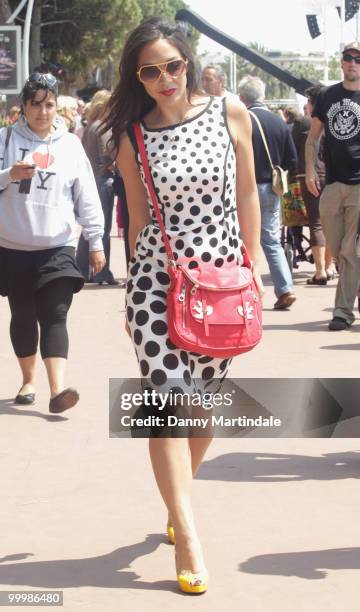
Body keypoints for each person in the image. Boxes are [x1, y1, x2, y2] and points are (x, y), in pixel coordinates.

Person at [103, 17, 263, 594]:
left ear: (188, 63)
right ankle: (189, 532)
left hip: (222, 282)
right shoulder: (132, 135)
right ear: (137, 76)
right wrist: (130, 290)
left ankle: (177, 498)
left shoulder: (230, 114)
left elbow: (247, 190)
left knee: (203, 406)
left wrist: (252, 267)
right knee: (167, 401)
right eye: (150, 70)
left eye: (173, 65)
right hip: (157, 281)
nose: (165, 77)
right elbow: (138, 218)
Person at [0, 72, 105, 412]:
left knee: (55, 313)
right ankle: (29, 379)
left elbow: (86, 194)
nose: (43, 112)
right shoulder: (5, 139)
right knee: (23, 315)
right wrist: (9, 175)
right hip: (13, 247)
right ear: (23, 106)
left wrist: (96, 238)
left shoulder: (70, 144)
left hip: (58, 246)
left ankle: (59, 389)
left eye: (49, 105)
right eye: (36, 105)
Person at [305, 42, 360, 331]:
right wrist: (310, 169)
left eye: (358, 59)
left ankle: (342, 312)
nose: (352, 62)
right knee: (337, 248)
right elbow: (312, 139)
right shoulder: (327, 95)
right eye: (348, 58)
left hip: (359, 186)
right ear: (341, 62)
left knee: (351, 249)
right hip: (333, 183)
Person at [239, 75, 297, 309]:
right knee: (271, 240)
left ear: (242, 98)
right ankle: (285, 288)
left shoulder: (243, 120)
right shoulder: (279, 122)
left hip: (247, 188)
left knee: (243, 241)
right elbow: (292, 158)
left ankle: (247, 290)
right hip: (272, 189)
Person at [292, 86, 335, 284]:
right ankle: (329, 266)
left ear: (312, 103)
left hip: (308, 174)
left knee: (316, 222)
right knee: (331, 223)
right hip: (332, 174)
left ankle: (320, 271)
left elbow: (292, 151)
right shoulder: (333, 120)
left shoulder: (302, 122)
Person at [76, 90, 120, 285]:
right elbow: (107, 158)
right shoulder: (102, 127)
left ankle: (82, 270)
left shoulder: (90, 127)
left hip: (93, 179)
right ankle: (101, 273)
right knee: (101, 228)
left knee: (90, 228)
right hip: (103, 180)